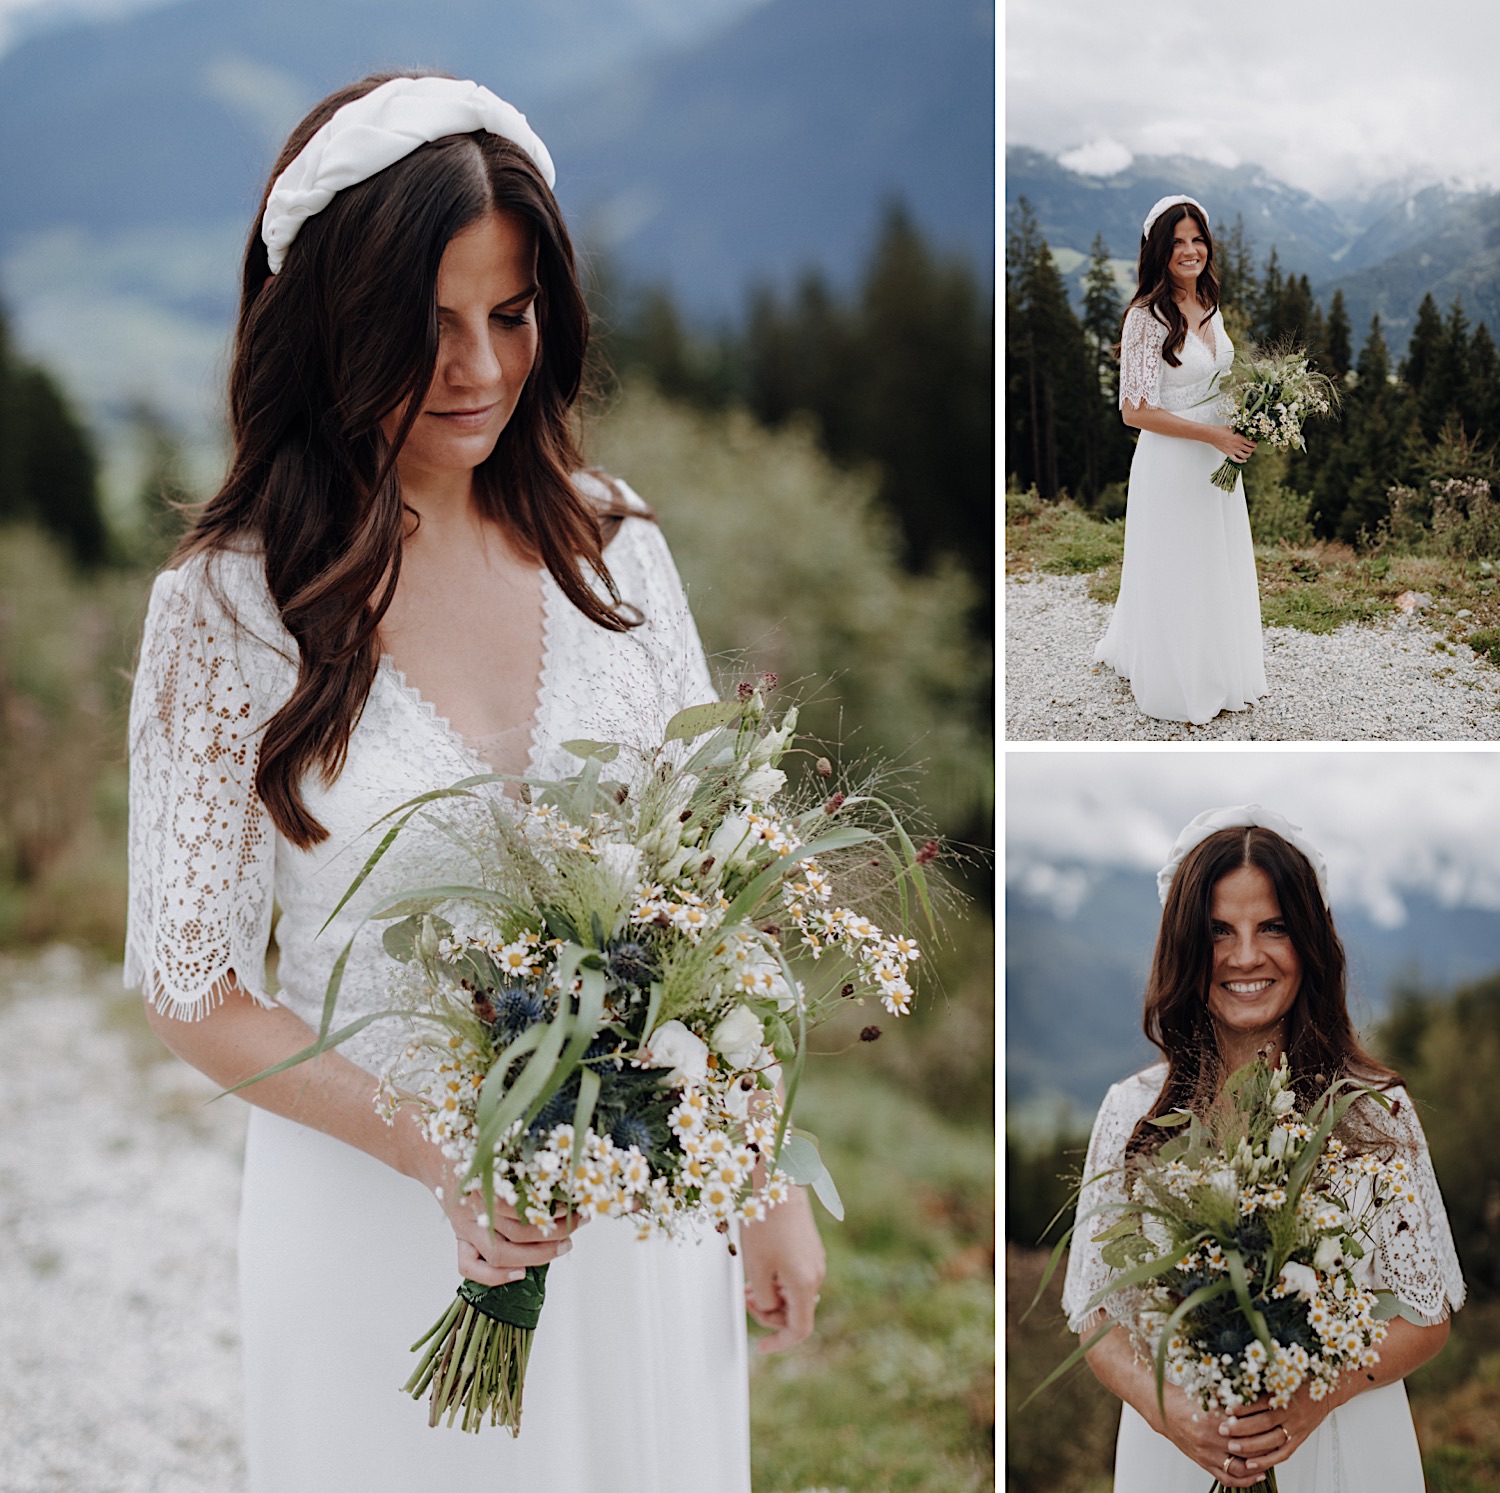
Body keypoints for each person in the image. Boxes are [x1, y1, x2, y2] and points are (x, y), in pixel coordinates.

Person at [124, 71, 824, 1493]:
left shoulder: (619, 550)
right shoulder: (230, 607)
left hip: (636, 1227)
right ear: (330, 320)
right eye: (426, 326)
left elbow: (716, 894)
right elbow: (191, 987)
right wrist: (440, 1151)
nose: (481, 371)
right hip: (379, 1227)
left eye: (511, 317)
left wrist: (762, 1176)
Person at [1062, 806, 1464, 1491]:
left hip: (1340, 1446)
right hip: (1181, 1453)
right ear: (1186, 948)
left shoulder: (1375, 1110)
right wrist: (1175, 1414)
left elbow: (1428, 1320)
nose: (1245, 955)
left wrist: (1310, 1400)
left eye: (1272, 926)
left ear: (1309, 941)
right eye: (1219, 931)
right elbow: (1096, 1318)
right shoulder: (1131, 1112)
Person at [1094, 196, 1267, 725]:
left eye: (1197, 239)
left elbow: (1218, 377)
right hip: (1172, 462)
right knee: (1180, 567)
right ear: (1158, 251)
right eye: (1177, 243)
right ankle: (1178, 682)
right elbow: (1134, 411)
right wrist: (1211, 435)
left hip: (1217, 459)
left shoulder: (1208, 302)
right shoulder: (1146, 318)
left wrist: (1258, 413)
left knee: (1215, 563)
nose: (1189, 251)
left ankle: (1219, 669)